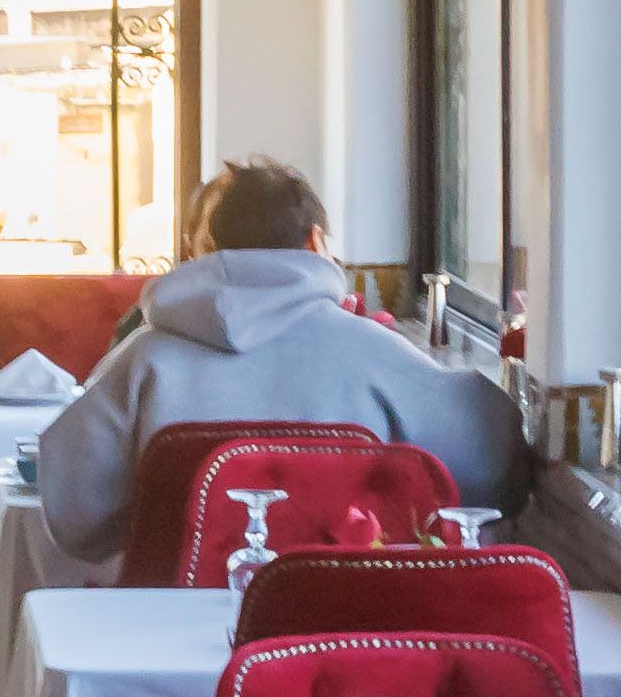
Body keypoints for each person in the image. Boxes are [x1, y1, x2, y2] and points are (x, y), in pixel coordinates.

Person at [31, 156, 524, 558]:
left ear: (208, 246)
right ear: (315, 242)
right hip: (332, 614)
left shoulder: (143, 360)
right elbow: (488, 467)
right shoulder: (374, 353)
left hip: (165, 610)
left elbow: (74, 517)